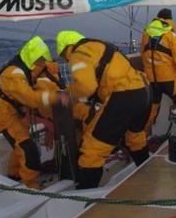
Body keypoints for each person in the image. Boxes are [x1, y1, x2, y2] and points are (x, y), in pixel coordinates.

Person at [56, 30, 151, 189]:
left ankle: (85, 196)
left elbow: (86, 87)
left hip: (124, 96)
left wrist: (70, 96)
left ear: (67, 48)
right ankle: (149, 173)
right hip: (144, 91)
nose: (67, 59)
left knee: (92, 149)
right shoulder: (98, 47)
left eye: (64, 56)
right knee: (135, 138)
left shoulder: (78, 53)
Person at [0, 36, 59, 189]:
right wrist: (56, 98)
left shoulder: (25, 70)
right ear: (33, 59)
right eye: (40, 61)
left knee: (21, 143)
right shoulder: (14, 74)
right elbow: (29, 98)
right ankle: (31, 186)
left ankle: (14, 174)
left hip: (13, 111)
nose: (41, 65)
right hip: (2, 115)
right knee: (27, 149)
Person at [141, 9, 176, 134]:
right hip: (169, 80)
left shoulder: (145, 35)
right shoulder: (170, 35)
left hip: (152, 81)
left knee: (152, 108)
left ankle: (143, 136)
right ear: (169, 19)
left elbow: (143, 55)